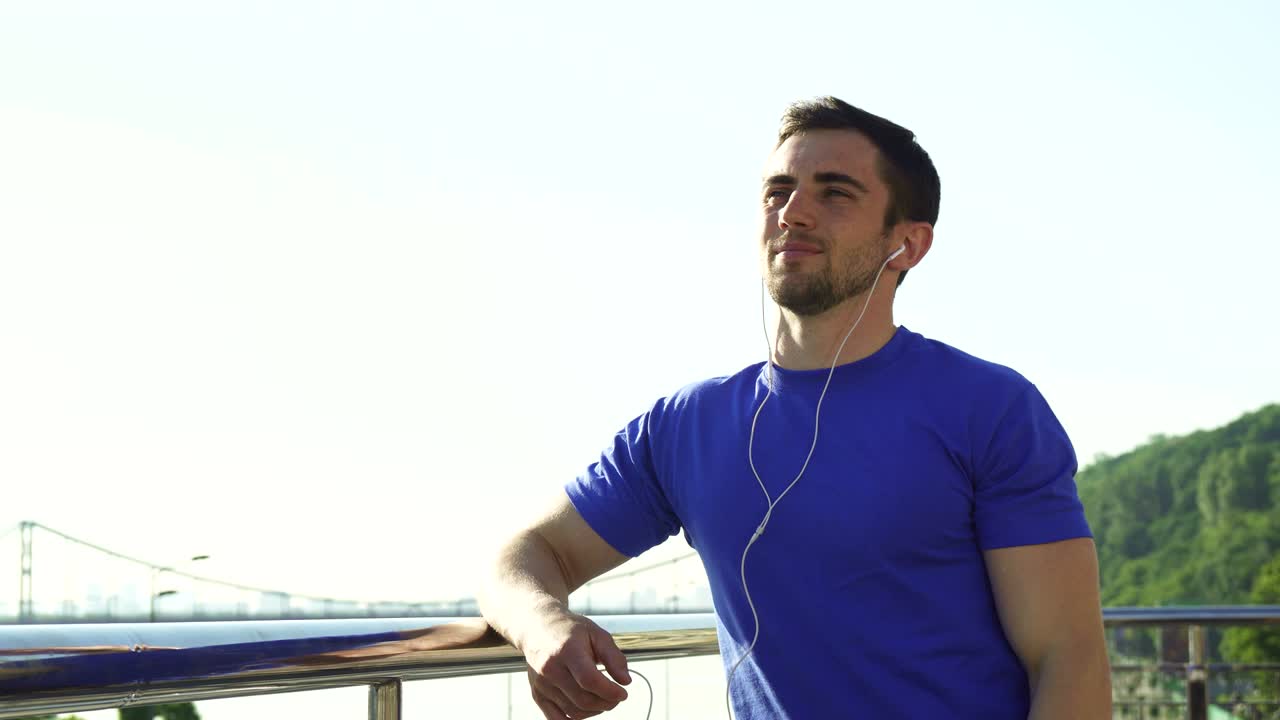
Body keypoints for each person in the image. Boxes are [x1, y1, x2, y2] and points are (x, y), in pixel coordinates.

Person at [478, 96, 1111, 719]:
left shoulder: (990, 409)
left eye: (834, 194)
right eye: (777, 191)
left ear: (907, 245)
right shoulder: (687, 426)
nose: (792, 213)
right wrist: (544, 627)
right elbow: (523, 557)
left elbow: (1068, 661)